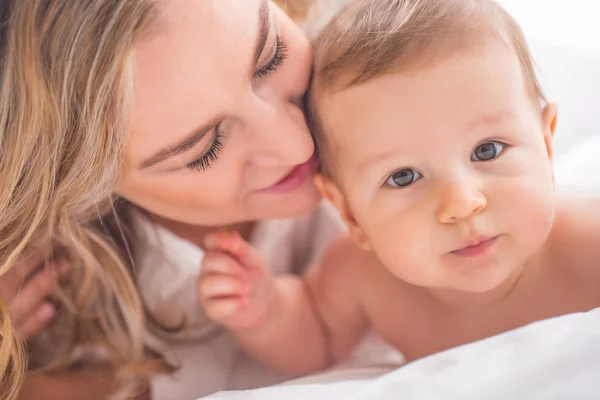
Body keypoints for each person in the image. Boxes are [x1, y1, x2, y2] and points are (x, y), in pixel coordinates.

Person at [0, 1, 385, 399]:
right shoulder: (51, 306)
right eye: (205, 149)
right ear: (81, 186)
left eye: (272, 57)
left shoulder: (394, 58)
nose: (297, 146)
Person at [198, 0, 600, 375]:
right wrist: (264, 310)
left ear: (547, 147)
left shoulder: (588, 245)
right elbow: (316, 336)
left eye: (488, 150)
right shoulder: (363, 276)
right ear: (349, 212)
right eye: (403, 176)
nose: (461, 203)